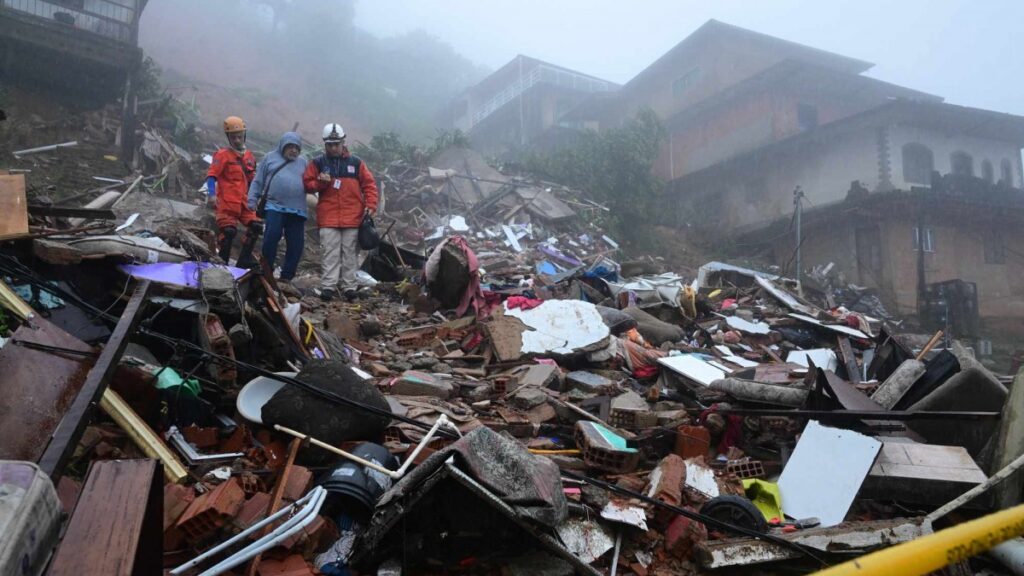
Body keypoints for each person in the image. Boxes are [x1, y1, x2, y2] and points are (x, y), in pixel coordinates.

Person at [303, 123, 378, 302]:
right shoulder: (318, 163)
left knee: (350, 253)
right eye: (330, 144)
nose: (334, 147)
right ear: (325, 144)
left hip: (353, 216)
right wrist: (321, 183)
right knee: (330, 252)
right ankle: (328, 287)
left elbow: (369, 185)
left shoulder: (356, 163)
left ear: (343, 142)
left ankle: (349, 287)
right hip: (328, 216)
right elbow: (307, 184)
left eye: (337, 144)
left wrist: (371, 204)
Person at [248, 132, 308, 287]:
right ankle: (266, 270)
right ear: (282, 146)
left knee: (296, 244)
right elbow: (258, 181)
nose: (294, 151)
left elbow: (312, 183)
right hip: (274, 207)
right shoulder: (270, 158)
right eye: (290, 147)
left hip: (297, 210)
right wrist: (252, 199)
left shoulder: (303, 163)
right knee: (271, 237)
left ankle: (287, 276)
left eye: (297, 148)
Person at [208, 116, 261, 267]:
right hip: (227, 203)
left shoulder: (250, 157)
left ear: (244, 135)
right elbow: (212, 175)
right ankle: (222, 262)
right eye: (233, 137)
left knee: (256, 226)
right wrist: (211, 194)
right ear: (228, 138)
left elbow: (252, 180)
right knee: (229, 232)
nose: (237, 140)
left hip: (244, 203)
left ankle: (244, 260)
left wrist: (256, 198)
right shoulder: (222, 155)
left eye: (239, 137)